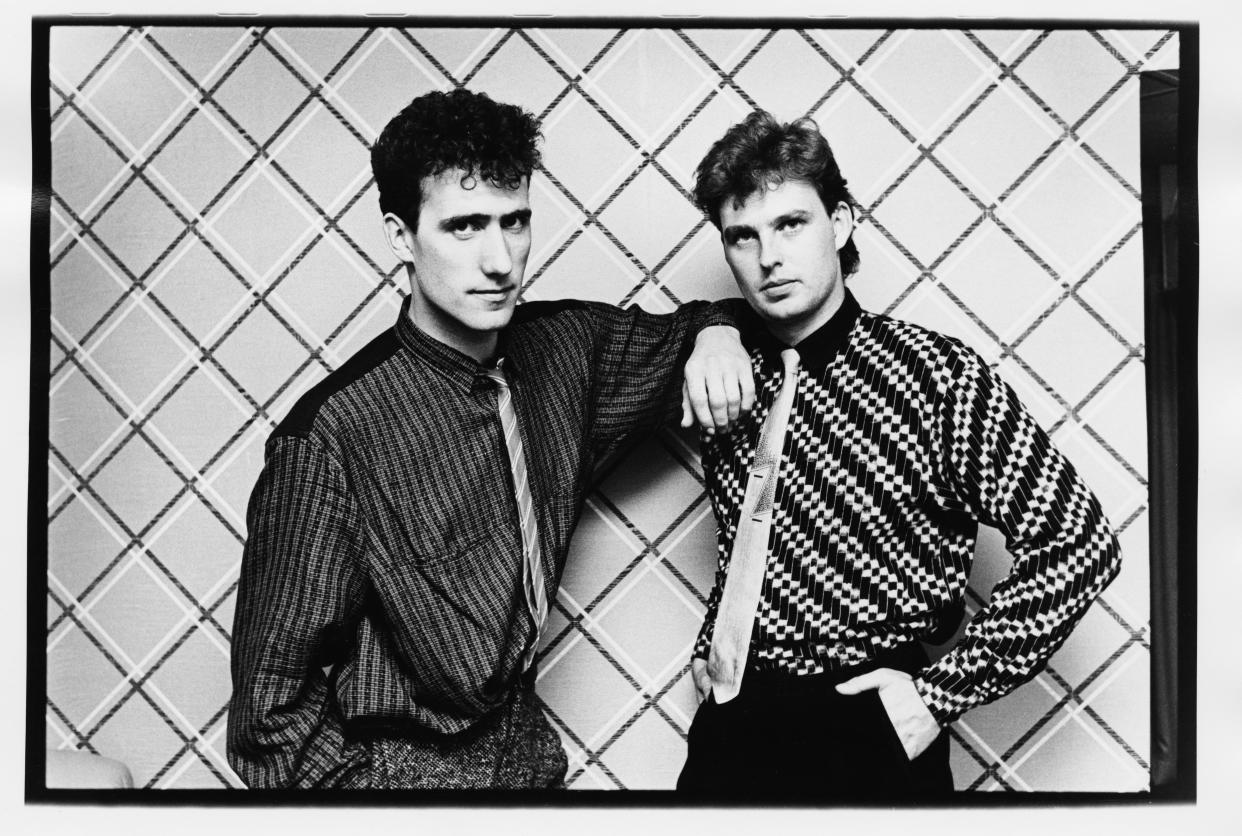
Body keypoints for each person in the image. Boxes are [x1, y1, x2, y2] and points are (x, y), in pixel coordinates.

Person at [226, 88, 754, 789]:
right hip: (402, 769)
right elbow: (267, 713)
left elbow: (703, 321)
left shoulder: (568, 350)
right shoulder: (331, 438)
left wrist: (717, 331)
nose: (502, 260)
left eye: (516, 222)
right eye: (465, 227)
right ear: (400, 236)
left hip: (527, 751)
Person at [676, 110, 1122, 798]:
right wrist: (715, 650)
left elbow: (1079, 544)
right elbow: (752, 539)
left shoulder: (935, 375)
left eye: (791, 224)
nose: (768, 257)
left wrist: (936, 697)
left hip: (865, 727)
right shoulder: (731, 375)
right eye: (743, 236)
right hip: (733, 726)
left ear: (842, 223)